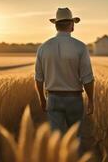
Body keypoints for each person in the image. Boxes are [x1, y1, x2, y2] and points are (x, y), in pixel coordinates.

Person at [34, 7, 94, 137]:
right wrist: (91, 100)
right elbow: (87, 78)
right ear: (72, 25)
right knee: (75, 139)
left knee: (57, 142)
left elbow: (39, 78)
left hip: (53, 99)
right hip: (74, 99)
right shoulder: (80, 47)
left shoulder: (43, 48)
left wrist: (42, 99)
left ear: (56, 25)